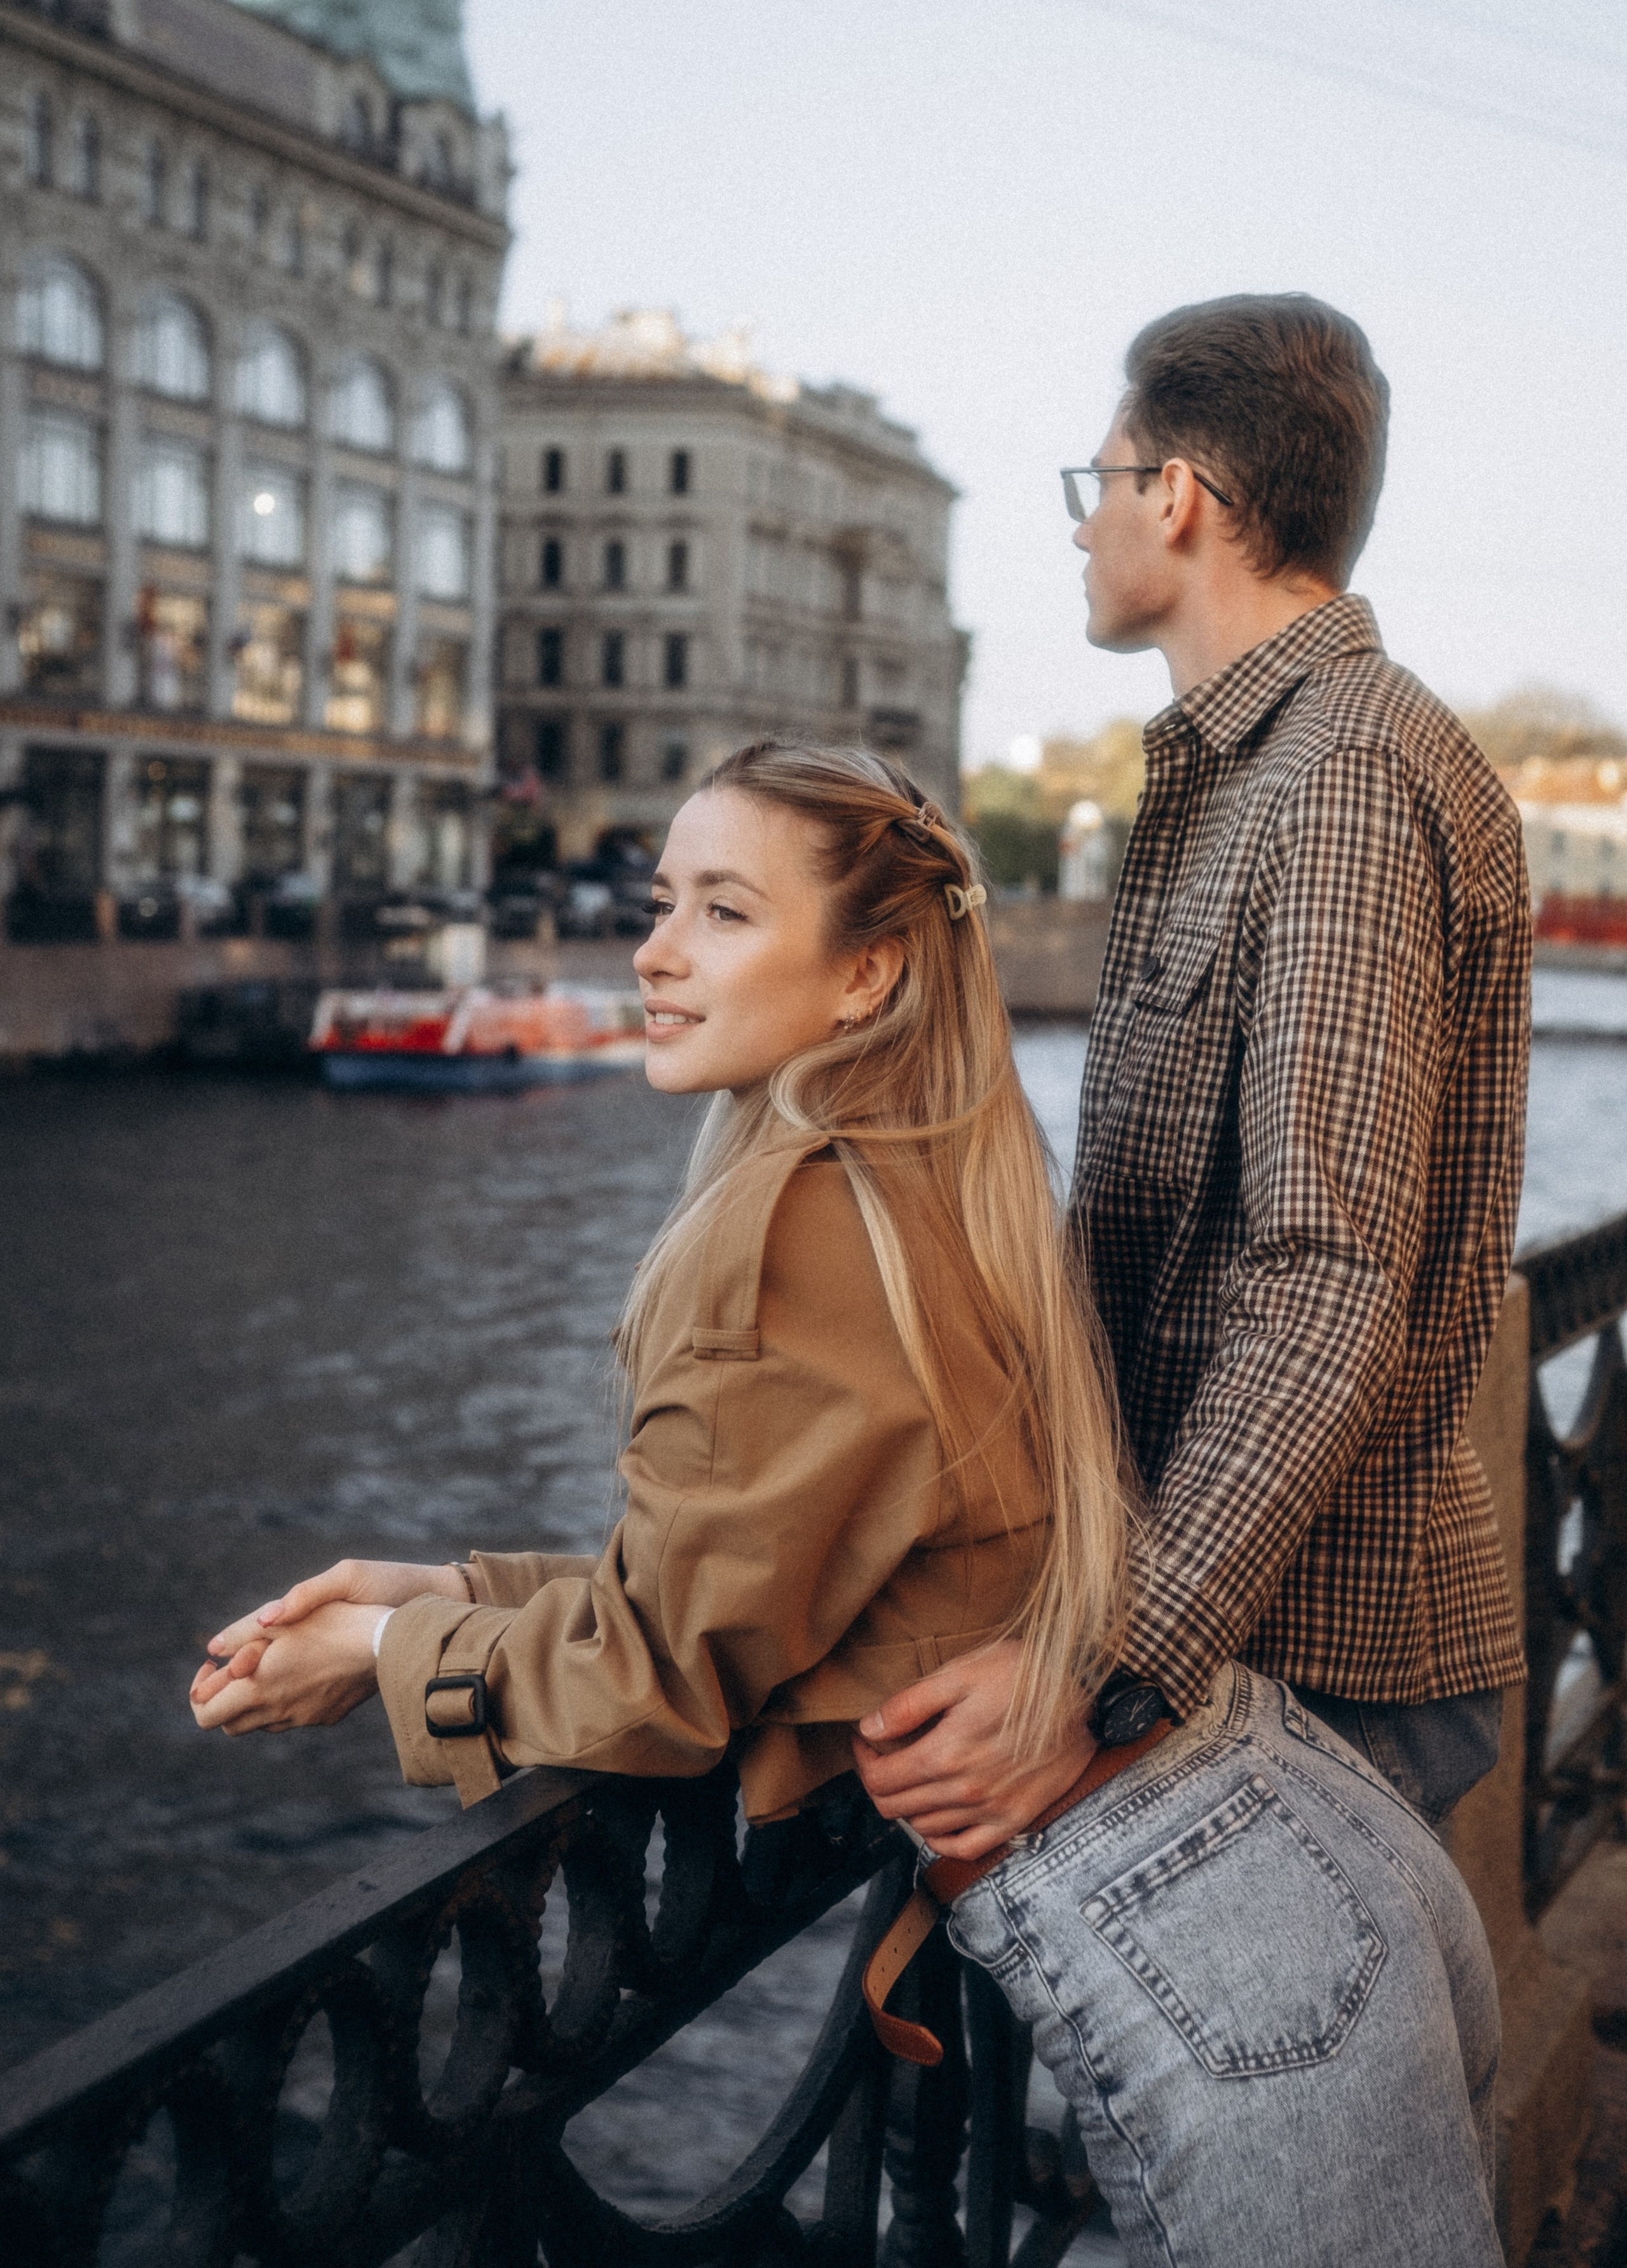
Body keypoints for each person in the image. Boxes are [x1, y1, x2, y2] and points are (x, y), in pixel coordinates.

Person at [191, 740, 1504, 2267]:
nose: (653, 950)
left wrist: (380, 1654)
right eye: (662, 897)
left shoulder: (787, 1230)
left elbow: (663, 1679)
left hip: (1205, 1943)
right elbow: (757, 1575)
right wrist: (442, 1592)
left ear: (867, 972)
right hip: (1295, 1832)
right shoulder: (932, 1175)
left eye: (724, 912)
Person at [854, 292, 1530, 1873]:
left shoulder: (1339, 779)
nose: (1082, 523)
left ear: (1177, 498)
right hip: (1260, 1645)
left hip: (1306, 1670)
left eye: (1094, 480)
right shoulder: (1272, 762)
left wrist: (1094, 1679)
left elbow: (1321, 1280)